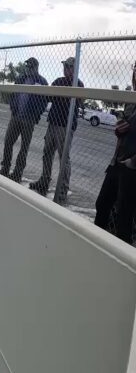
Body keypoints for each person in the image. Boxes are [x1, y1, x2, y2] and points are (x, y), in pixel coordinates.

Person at [29, 57, 84, 203]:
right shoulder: (59, 81)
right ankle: (44, 180)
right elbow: (49, 95)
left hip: (65, 125)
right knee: (47, 153)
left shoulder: (78, 84)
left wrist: (58, 96)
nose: (66, 68)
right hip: (53, 122)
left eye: (69, 66)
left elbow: (75, 100)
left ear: (74, 68)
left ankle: (62, 190)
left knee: (64, 158)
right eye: (65, 66)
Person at [94, 63, 136, 244]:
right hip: (118, 161)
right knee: (102, 204)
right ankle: (95, 245)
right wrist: (119, 129)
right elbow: (122, 129)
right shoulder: (130, 99)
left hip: (132, 166)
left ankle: (123, 258)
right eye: (135, 71)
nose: (135, 76)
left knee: (124, 216)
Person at [0, 57, 49, 182]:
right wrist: (13, 107)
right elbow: (13, 94)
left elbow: (44, 102)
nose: (28, 69)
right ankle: (5, 167)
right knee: (8, 141)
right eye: (27, 67)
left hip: (29, 119)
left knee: (24, 147)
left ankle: (17, 173)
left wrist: (35, 115)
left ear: (36, 68)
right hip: (16, 116)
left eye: (31, 67)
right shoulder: (21, 78)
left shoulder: (42, 82)